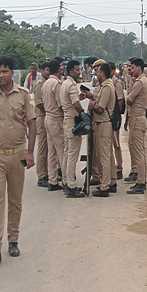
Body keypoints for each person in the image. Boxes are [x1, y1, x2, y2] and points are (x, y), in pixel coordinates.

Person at [0, 55, 36, 265]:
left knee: (15, 200)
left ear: (12, 73)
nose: (1, 75)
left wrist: (30, 153)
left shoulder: (23, 95)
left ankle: (13, 240)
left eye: (4, 71)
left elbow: (31, 123)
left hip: (19, 155)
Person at [60, 60, 88, 198]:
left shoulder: (65, 83)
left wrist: (79, 100)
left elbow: (72, 102)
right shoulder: (71, 85)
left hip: (67, 120)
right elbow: (75, 105)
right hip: (73, 122)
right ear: (71, 71)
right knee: (72, 155)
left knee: (67, 153)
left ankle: (66, 181)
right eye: (77, 70)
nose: (79, 72)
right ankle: (71, 185)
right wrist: (83, 114)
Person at [124, 58, 147, 194]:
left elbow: (129, 100)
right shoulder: (143, 81)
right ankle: (140, 179)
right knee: (138, 150)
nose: (131, 70)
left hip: (137, 119)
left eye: (132, 68)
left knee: (139, 152)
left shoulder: (140, 82)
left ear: (139, 68)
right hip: (138, 117)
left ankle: (141, 181)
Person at [90, 62, 117, 197]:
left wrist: (92, 106)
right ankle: (111, 181)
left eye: (98, 72)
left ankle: (105, 186)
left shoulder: (106, 87)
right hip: (104, 123)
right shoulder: (105, 86)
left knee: (104, 156)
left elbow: (100, 108)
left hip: (104, 123)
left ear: (103, 73)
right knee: (108, 155)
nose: (96, 74)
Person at [41, 59, 65, 191]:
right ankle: (67, 180)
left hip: (48, 116)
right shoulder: (56, 84)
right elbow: (61, 104)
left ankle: (52, 180)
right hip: (56, 118)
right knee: (62, 150)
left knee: (52, 151)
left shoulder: (46, 83)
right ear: (59, 70)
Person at [32, 62, 50, 188]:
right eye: (47, 70)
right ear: (42, 70)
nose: (48, 72)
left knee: (49, 148)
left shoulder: (48, 83)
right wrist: (50, 109)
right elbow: (38, 103)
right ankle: (41, 175)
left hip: (48, 116)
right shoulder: (40, 84)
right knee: (42, 147)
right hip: (41, 116)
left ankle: (47, 172)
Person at [112, 62, 126, 180]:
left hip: (114, 118)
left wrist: (117, 117)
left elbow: (120, 100)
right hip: (109, 118)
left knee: (116, 144)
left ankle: (119, 167)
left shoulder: (117, 83)